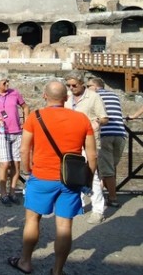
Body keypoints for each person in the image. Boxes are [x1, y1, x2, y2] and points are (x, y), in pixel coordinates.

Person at [8, 81, 96, 275]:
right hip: (70, 179)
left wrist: (28, 169)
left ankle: (25, 262)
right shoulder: (81, 119)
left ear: (45, 96)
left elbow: (24, 149)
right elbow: (92, 155)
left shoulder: (35, 116)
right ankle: (57, 271)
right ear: (66, 98)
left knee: (32, 220)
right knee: (64, 225)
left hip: (42, 175)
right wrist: (87, 181)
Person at [64, 70, 108, 225]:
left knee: (92, 174)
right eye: (68, 85)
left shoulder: (93, 96)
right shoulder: (67, 97)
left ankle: (98, 210)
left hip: (89, 140)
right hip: (70, 140)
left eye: (74, 85)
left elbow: (104, 117)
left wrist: (97, 122)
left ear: (82, 83)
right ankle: (79, 204)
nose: (71, 88)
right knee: (72, 173)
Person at [0, 72, 30, 206]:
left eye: (7, 81)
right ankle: (3, 194)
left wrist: (26, 122)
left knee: (16, 164)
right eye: (5, 82)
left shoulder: (14, 93)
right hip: (1, 133)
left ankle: (12, 192)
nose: (7, 84)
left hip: (17, 133)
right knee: (5, 163)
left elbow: (25, 107)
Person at [87, 77, 127, 207]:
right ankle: (102, 191)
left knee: (107, 169)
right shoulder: (114, 95)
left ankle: (112, 198)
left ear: (95, 87)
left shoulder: (94, 96)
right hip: (120, 134)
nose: (87, 89)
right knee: (110, 166)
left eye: (88, 86)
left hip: (105, 134)